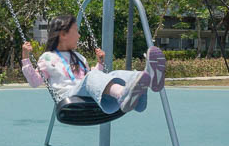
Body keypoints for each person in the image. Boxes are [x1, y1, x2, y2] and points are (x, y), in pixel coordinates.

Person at [22, 15, 166, 114]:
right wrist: (25, 57)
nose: (79, 36)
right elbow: (35, 81)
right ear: (63, 34)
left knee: (114, 74)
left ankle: (145, 78)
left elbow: (92, 80)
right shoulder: (47, 58)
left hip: (87, 94)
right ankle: (123, 94)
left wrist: (100, 64)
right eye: (76, 31)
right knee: (92, 77)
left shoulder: (79, 57)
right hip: (69, 96)